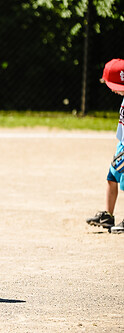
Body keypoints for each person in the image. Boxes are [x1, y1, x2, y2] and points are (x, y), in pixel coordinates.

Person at [86, 58, 124, 234]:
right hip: (121, 146)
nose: (111, 90)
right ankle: (108, 215)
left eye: (111, 85)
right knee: (112, 177)